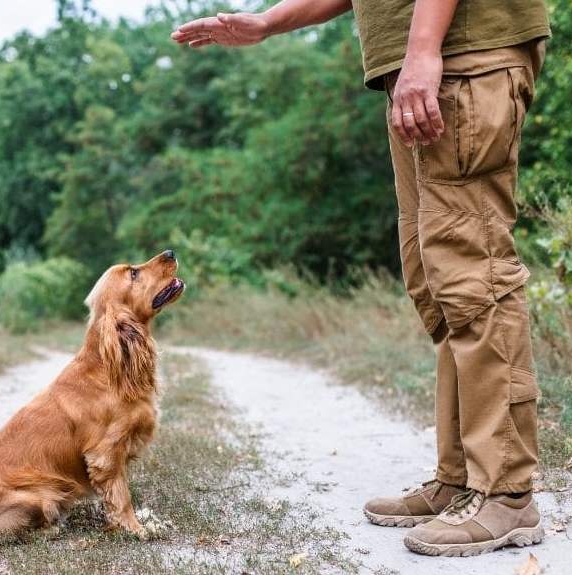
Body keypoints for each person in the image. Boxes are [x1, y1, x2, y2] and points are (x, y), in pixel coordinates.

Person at [172, 0, 551, 557]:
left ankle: (507, 491)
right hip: (424, 64)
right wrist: (270, 22)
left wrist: (423, 50)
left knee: (475, 277)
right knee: (438, 283)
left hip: (465, 57)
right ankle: (461, 478)